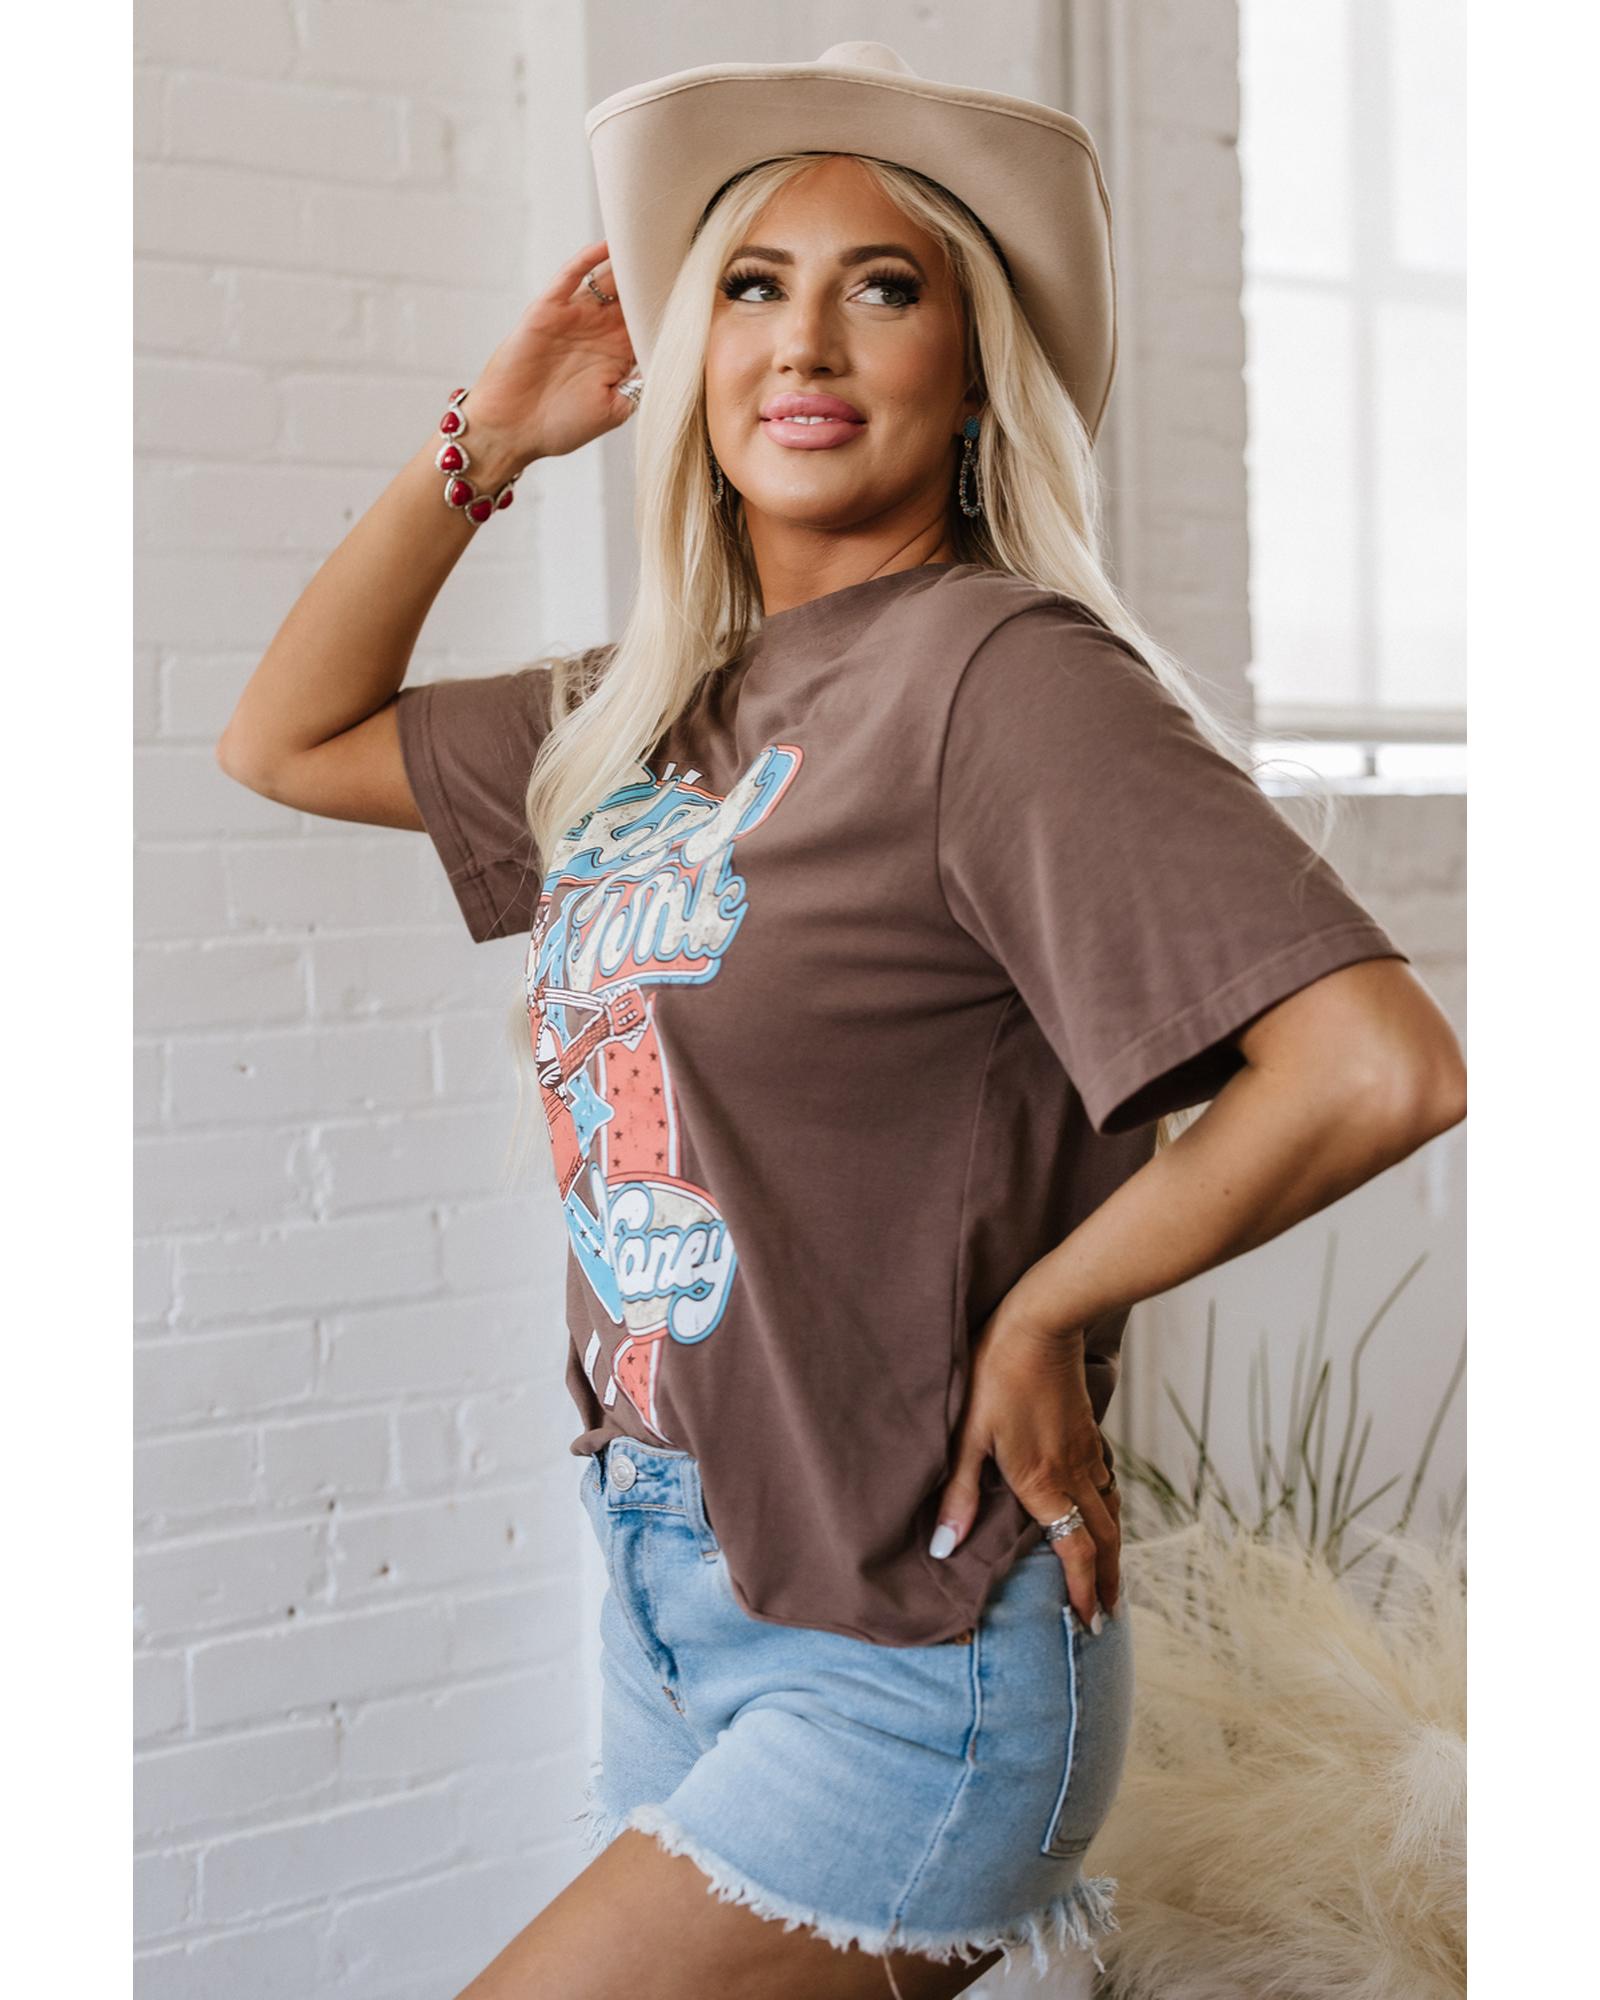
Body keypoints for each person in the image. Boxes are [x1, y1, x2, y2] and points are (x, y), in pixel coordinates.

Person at [215, 42, 1467, 2000]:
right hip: (671, 1587)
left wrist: (1046, 1312)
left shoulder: (999, 678)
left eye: (883, 288)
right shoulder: (645, 718)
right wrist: (494, 434)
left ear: (970, 379)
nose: (804, 340)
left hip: (905, 1655)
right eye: (750, 285)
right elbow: (283, 739)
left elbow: (1374, 1063)